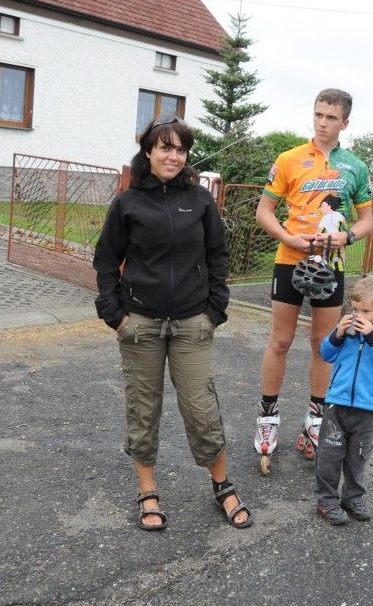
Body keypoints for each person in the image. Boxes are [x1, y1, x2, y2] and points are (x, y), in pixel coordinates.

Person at [93, 115, 252, 531]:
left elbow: (218, 256)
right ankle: (148, 491)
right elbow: (106, 261)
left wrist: (215, 310)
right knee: (143, 411)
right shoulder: (127, 203)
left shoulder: (199, 200)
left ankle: (222, 485)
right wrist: (116, 316)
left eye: (181, 149)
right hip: (140, 324)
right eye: (165, 147)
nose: (173, 156)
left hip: (191, 324)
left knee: (202, 410)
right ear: (148, 151)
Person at [253, 88, 373, 475]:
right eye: (318, 115)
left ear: (345, 123)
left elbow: (367, 220)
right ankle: (267, 420)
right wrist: (287, 238)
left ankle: (315, 421)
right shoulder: (289, 159)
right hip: (290, 261)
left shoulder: (355, 166)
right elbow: (264, 211)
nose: (322, 123)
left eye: (331, 118)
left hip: (331, 264)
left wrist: (348, 236)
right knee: (281, 340)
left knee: (325, 345)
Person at [315, 275, 373, 524]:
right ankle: (327, 501)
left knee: (358, 457)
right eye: (354, 309)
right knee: (330, 455)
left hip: (366, 408)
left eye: (365, 310)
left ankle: (352, 498)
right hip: (337, 404)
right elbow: (326, 353)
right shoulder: (346, 332)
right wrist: (338, 335)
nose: (358, 315)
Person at [316, 194, 347, 270]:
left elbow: (318, 234)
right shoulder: (341, 216)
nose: (321, 208)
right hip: (340, 251)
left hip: (327, 249)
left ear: (329, 206)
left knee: (325, 268)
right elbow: (345, 231)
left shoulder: (325, 218)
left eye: (322, 206)